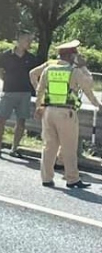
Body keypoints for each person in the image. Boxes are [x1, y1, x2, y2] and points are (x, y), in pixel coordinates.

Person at [30, 40, 98, 189]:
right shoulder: (74, 71)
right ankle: (72, 179)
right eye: (76, 53)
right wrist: (84, 67)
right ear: (71, 55)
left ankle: (47, 178)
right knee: (69, 147)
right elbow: (89, 86)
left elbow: (40, 90)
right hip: (66, 113)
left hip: (48, 112)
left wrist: (39, 106)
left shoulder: (49, 69)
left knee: (49, 146)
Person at [0, 30, 40, 157]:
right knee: (0, 119)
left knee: (21, 121)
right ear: (20, 40)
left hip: (25, 93)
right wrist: (8, 82)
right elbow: (1, 72)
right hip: (8, 92)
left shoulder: (31, 58)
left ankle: (14, 149)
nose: (30, 43)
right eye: (27, 40)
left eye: (31, 40)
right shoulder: (6, 55)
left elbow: (35, 75)